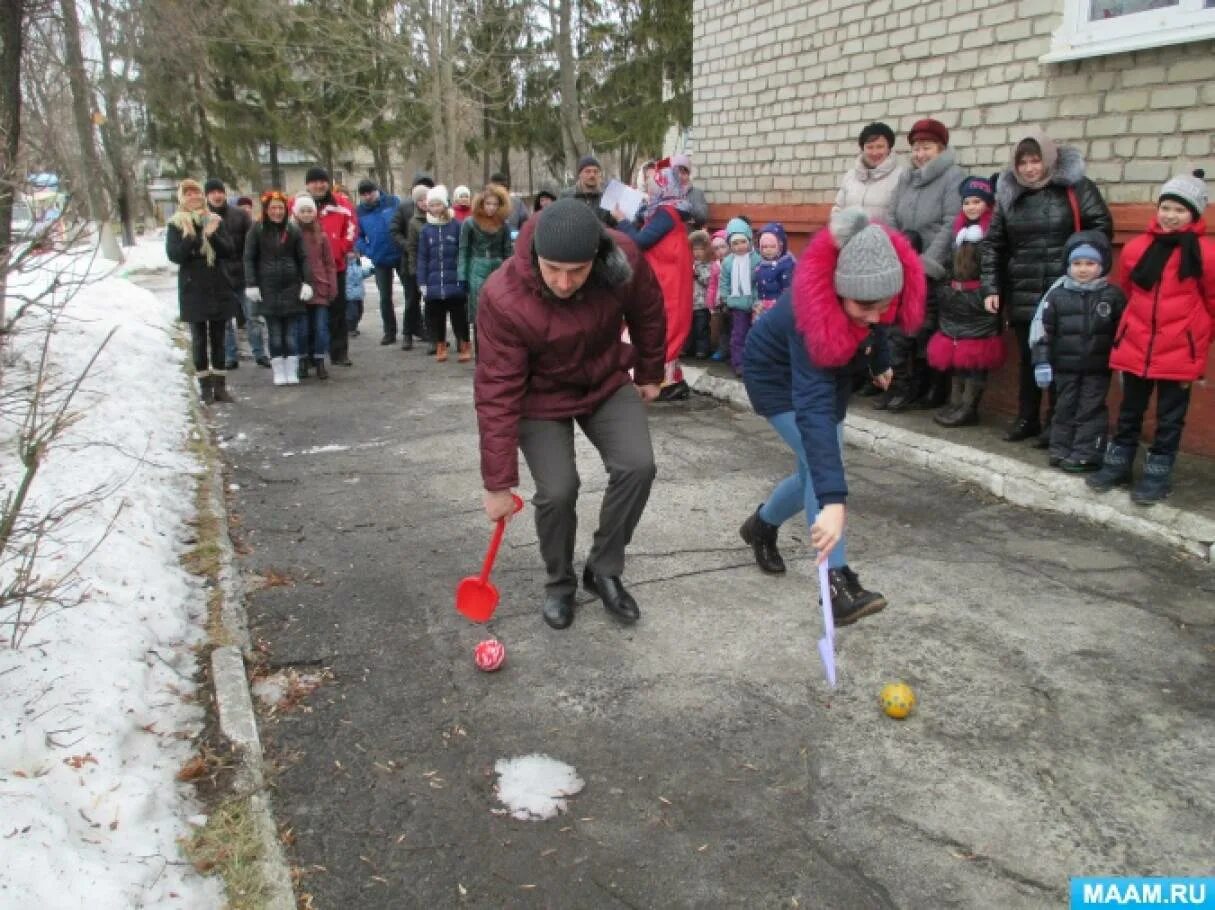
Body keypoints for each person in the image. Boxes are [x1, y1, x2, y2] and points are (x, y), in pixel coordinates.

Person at [474, 198, 666, 630]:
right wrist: (498, 482)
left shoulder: (623, 259)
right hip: (538, 395)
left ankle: (604, 569)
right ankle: (559, 584)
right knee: (558, 490)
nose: (564, 282)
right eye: (553, 268)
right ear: (534, 255)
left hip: (603, 377)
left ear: (596, 259)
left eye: (577, 271)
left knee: (638, 465)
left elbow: (648, 311)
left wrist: (651, 372)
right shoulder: (502, 298)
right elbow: (496, 390)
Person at [740, 208, 925, 623]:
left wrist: (879, 359)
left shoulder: (867, 292)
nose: (877, 315)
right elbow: (814, 412)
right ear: (840, 288)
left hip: (832, 369)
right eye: (865, 305)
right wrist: (835, 502)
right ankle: (835, 583)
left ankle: (762, 526)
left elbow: (877, 323)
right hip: (776, 377)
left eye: (884, 304)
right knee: (823, 461)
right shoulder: (810, 315)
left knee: (812, 472)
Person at [1088, 169, 1214, 504]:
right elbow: (1129, 291)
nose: (1171, 216)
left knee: (1170, 416)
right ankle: (1119, 463)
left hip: (1180, 349)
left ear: (1195, 214)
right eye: (1166, 207)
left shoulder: (1205, 253)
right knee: (1130, 409)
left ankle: (1158, 472)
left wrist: (1197, 341)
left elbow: (1212, 301)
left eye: (1180, 210)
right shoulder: (1137, 248)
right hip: (1137, 344)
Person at [981, 128, 1113, 444]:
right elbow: (993, 246)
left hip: (1067, 290)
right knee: (1030, 357)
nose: (1029, 168)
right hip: (1023, 288)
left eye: (1035, 160)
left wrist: (1079, 263)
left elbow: (1100, 227)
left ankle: (1057, 421)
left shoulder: (1075, 188)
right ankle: (1027, 418)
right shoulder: (1009, 196)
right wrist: (991, 288)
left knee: (1062, 357)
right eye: (1023, 162)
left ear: (1049, 160)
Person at [881, 117, 965, 412]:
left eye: (926, 147)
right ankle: (903, 386)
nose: (920, 154)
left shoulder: (953, 178)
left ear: (941, 149)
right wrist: (900, 253)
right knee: (899, 329)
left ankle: (931, 389)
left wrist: (927, 263)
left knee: (926, 331)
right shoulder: (906, 177)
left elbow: (951, 223)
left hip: (933, 269)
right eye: (916, 148)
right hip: (904, 265)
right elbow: (891, 215)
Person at [1028, 231, 1126, 470]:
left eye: (1090, 263)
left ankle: (1087, 453)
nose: (1083, 269)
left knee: (1089, 410)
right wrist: (1041, 361)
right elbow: (1043, 331)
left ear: (1102, 265)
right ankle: (1060, 448)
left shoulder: (1112, 296)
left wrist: (1123, 363)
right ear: (1068, 265)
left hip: (1097, 368)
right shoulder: (1058, 296)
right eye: (1077, 263)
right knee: (1064, 407)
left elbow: (1123, 333)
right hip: (1064, 368)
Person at [926, 175, 1006, 427]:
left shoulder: (991, 234)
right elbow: (949, 265)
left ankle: (969, 407)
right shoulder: (958, 232)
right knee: (956, 357)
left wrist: (984, 294)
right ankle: (955, 401)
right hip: (957, 302)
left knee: (975, 358)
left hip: (979, 303)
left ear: (988, 204)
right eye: (967, 202)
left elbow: (993, 269)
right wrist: (946, 289)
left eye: (977, 202)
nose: (971, 207)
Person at [612, 165, 694, 401]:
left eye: (652, 183)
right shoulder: (669, 210)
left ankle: (663, 382)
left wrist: (622, 221)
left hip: (666, 281)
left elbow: (640, 241)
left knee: (662, 324)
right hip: (669, 278)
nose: (648, 187)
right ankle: (669, 380)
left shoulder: (666, 212)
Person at [166, 178, 239, 404]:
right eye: (188, 194)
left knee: (219, 338)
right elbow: (176, 255)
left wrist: (212, 235)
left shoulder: (215, 220)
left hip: (218, 285)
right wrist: (195, 237)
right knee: (199, 339)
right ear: (182, 198)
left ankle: (220, 386)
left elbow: (229, 250)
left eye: (196, 193)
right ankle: (205, 387)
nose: (194, 197)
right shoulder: (177, 224)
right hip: (193, 287)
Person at [245, 190, 312, 386]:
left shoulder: (293, 230)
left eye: (280, 208)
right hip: (268, 288)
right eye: (273, 208)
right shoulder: (257, 230)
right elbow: (248, 258)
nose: (277, 212)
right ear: (266, 210)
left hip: (291, 287)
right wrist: (252, 283)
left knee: (290, 333)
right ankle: (278, 370)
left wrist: (307, 282)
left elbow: (303, 258)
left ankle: (292, 369)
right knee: (274, 333)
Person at [205, 178, 267, 371]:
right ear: (207, 196)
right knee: (224, 320)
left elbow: (253, 243)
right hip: (217, 276)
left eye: (219, 191)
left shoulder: (240, 215)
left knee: (253, 316)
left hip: (243, 274)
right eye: (212, 192)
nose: (217, 195)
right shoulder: (203, 217)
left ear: (224, 193)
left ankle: (260, 353)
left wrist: (253, 271)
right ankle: (230, 355)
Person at [305, 167, 357, 366]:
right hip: (308, 270)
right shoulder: (298, 204)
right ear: (307, 184)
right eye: (314, 181)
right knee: (309, 312)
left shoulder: (342, 204)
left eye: (322, 181)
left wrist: (341, 249)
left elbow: (351, 229)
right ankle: (310, 355)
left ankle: (339, 352)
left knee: (338, 311)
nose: (319, 185)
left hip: (336, 267)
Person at [417, 185, 471, 363]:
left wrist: (464, 277)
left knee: (459, 318)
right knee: (436, 319)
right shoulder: (425, 230)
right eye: (431, 205)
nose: (435, 208)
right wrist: (422, 282)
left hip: (454, 282)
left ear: (445, 204)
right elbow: (422, 258)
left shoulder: (457, 226)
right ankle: (440, 344)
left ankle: (464, 344)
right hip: (434, 284)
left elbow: (463, 253)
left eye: (438, 204)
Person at [458, 185, 514, 356]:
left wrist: (511, 276)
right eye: (488, 203)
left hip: (498, 269)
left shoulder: (503, 225)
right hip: (477, 269)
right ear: (481, 204)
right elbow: (463, 250)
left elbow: (508, 253)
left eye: (495, 204)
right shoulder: (470, 223)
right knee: (478, 312)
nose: (491, 207)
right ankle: (480, 355)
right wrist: (462, 275)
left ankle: (497, 353)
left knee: (499, 311)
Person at [355, 178, 405, 346]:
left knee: (411, 293)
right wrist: (369, 251)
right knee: (385, 297)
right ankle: (389, 331)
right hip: (380, 258)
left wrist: (405, 243)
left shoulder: (393, 202)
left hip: (400, 254)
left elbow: (404, 223)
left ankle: (414, 327)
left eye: (370, 192)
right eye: (364, 194)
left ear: (377, 190)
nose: (368, 196)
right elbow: (357, 236)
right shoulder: (360, 212)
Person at [291, 195, 337, 381]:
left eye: (310, 210)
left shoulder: (322, 236)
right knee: (301, 329)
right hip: (299, 288)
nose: (306, 214)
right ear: (296, 213)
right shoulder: (291, 235)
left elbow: (329, 264)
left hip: (320, 287)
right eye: (302, 211)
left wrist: (331, 286)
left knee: (321, 328)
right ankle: (302, 360)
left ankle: (319, 361)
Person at [390, 180, 433, 351]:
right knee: (411, 301)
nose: (425, 203)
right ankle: (407, 334)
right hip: (410, 265)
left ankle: (430, 333)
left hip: (431, 265)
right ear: (415, 201)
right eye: (421, 199)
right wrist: (406, 244)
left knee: (430, 302)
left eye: (427, 199)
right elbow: (394, 230)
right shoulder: (406, 212)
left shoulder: (436, 215)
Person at [832, 122, 904, 223]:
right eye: (870, 147)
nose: (874, 152)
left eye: (880, 147)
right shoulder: (850, 176)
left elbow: (903, 218)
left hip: (883, 238)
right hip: (849, 238)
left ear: (889, 148)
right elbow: (838, 209)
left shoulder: (901, 176)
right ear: (862, 149)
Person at [720, 218, 761, 376]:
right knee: (738, 335)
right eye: (735, 243)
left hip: (755, 305)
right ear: (730, 245)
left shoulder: (756, 260)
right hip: (737, 305)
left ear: (749, 240)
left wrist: (757, 300)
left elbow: (759, 282)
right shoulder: (728, 262)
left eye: (742, 242)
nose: (739, 247)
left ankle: (755, 363)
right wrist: (725, 297)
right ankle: (739, 363)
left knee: (755, 335)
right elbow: (724, 282)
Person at [752, 222, 796, 320]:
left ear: (780, 246)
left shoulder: (785, 265)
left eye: (772, 247)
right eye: (764, 247)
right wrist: (756, 302)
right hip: (761, 307)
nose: (768, 250)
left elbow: (788, 290)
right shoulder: (760, 265)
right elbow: (755, 286)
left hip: (778, 308)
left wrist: (781, 306)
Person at [562, 155, 617, 226]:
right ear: (580, 174)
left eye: (596, 172)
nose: (592, 175)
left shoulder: (607, 197)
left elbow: (614, 225)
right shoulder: (566, 196)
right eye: (587, 171)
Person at [686, 230, 713, 359]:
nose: (697, 253)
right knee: (688, 329)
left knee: (701, 329)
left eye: (700, 249)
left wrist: (697, 274)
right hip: (688, 303)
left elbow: (709, 281)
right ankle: (688, 349)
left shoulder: (708, 265)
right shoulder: (687, 264)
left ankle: (702, 350)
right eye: (694, 249)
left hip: (702, 304)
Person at [669, 154, 708, 230]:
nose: (680, 176)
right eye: (676, 173)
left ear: (689, 175)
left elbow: (702, 217)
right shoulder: (666, 193)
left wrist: (685, 204)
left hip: (689, 234)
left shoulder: (696, 193)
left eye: (683, 173)